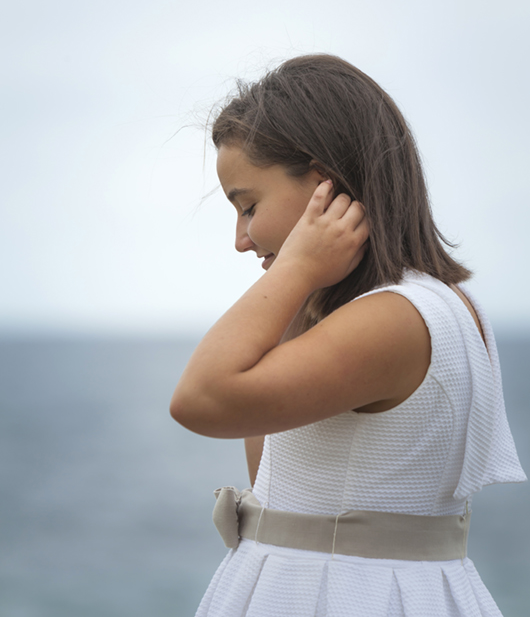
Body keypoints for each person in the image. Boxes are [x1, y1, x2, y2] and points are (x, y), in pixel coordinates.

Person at [170, 54, 526, 617]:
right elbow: (273, 481)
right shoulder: (417, 305)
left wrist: (294, 270)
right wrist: (300, 291)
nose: (241, 239)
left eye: (248, 206)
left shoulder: (392, 319)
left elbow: (201, 401)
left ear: (322, 185)